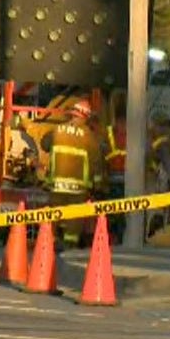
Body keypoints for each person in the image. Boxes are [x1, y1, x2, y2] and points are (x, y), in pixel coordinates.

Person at [40, 98, 105, 248]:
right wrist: (99, 185)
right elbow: (96, 163)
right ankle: (69, 246)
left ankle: (49, 245)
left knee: (54, 216)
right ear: (85, 117)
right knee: (74, 220)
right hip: (78, 189)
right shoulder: (89, 137)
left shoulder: (58, 130)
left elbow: (44, 144)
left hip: (56, 185)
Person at [104, 109, 127, 244]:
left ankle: (116, 237)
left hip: (115, 180)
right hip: (121, 181)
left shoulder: (109, 134)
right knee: (118, 213)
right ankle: (117, 237)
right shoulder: (134, 133)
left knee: (115, 212)